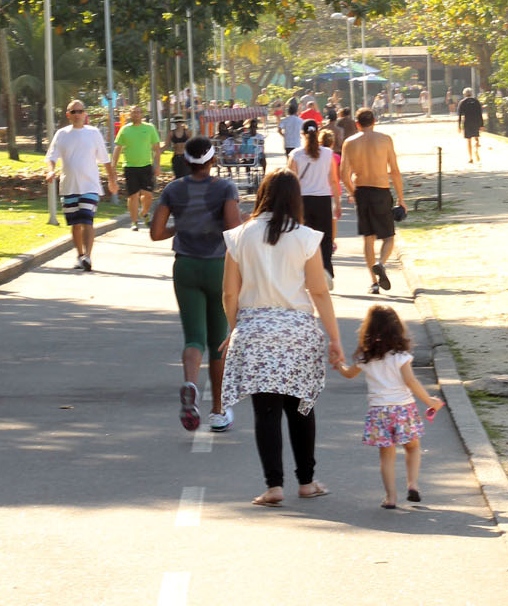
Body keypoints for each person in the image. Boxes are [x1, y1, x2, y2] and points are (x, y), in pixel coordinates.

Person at [221, 169, 344, 506]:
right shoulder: (305, 237)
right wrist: (335, 338)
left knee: (266, 412)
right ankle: (307, 481)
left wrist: (235, 329)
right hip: (298, 332)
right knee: (301, 407)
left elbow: (229, 294)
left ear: (263, 195)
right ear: (295, 199)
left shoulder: (239, 236)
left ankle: (274, 486)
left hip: (255, 331)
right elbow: (319, 291)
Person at [150, 135, 243, 431]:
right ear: (213, 159)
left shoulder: (173, 189)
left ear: (186, 161)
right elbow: (233, 228)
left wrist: (181, 226)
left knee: (193, 338)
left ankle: (190, 383)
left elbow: (156, 232)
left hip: (185, 267)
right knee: (218, 342)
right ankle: (218, 410)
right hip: (218, 267)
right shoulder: (225, 187)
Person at [334, 304, 444, 508]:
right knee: (412, 447)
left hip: (379, 412)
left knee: (386, 455)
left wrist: (338, 363)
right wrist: (430, 401)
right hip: (403, 409)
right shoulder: (401, 357)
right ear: (397, 329)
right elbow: (411, 382)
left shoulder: (366, 357)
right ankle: (413, 485)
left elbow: (348, 374)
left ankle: (391, 497)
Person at [43, 97, 117, 269]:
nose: (77, 114)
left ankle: (88, 257)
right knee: (75, 224)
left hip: (90, 185)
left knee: (87, 220)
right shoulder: (61, 134)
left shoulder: (93, 133)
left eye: (80, 111)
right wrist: (50, 170)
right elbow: (52, 156)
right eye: (73, 111)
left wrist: (112, 180)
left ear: (85, 114)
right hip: (69, 186)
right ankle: (79, 256)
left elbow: (105, 159)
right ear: (68, 114)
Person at [340, 107, 405, 295]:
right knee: (389, 237)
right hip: (381, 190)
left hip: (362, 190)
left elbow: (344, 175)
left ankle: (374, 283)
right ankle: (381, 263)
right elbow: (395, 171)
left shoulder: (349, 143)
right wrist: (401, 198)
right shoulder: (385, 140)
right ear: (374, 121)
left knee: (368, 238)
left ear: (357, 124)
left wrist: (354, 193)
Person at [287, 119, 341, 283]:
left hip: (302, 201)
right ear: (318, 133)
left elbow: (291, 182)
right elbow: (333, 180)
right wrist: (337, 203)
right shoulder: (327, 153)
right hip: (323, 200)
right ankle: (326, 271)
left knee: (303, 238)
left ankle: (305, 273)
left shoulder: (295, 155)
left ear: (302, 134)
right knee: (325, 238)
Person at [111, 104, 163, 228]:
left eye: (138, 112)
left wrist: (157, 166)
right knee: (133, 195)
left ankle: (144, 213)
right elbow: (117, 149)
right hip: (130, 167)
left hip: (146, 166)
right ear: (130, 114)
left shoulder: (149, 128)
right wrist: (113, 167)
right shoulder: (125, 129)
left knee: (148, 195)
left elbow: (156, 149)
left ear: (142, 114)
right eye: (134, 112)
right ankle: (134, 222)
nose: (136, 114)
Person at [457, 87, 484, 163]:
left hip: (467, 122)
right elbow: (480, 114)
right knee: (476, 138)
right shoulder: (476, 101)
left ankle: (471, 158)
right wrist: (482, 125)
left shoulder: (462, 102)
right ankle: (476, 150)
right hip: (476, 122)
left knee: (469, 140)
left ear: (464, 94)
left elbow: (459, 116)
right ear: (471, 93)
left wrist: (459, 126)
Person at [166, 113, 191, 178]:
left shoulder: (187, 132)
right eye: (177, 122)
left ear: (182, 122)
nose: (178, 123)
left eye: (180, 122)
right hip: (176, 157)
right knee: (178, 177)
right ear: (175, 123)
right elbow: (166, 145)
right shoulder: (171, 133)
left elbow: (192, 144)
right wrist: (158, 151)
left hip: (185, 157)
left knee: (186, 176)